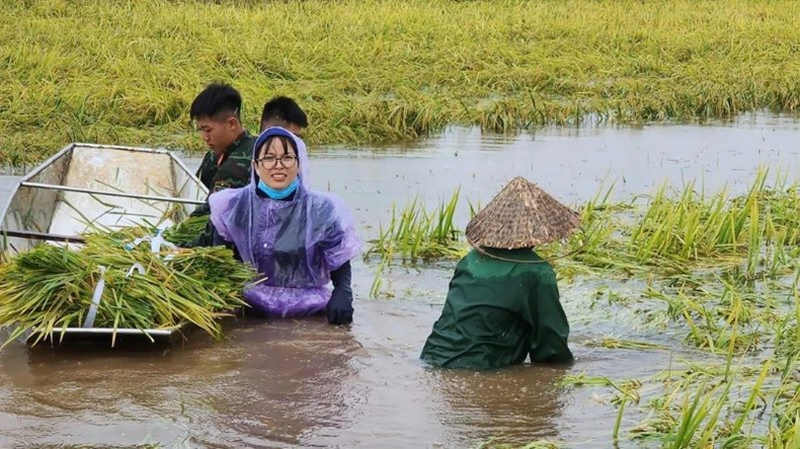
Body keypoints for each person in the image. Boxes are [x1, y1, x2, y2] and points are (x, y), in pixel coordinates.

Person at [420, 176, 579, 370]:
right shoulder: (537, 272)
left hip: (433, 355)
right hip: (479, 366)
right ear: (540, 229)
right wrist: (560, 370)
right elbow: (550, 341)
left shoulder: (470, 261)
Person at [207, 127, 360, 325]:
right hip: (251, 309)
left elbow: (338, 259)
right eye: (269, 158)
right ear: (255, 165)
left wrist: (343, 292)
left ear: (299, 163)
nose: (278, 166)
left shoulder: (320, 209)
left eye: (287, 158)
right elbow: (220, 258)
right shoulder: (235, 206)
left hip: (310, 310)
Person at [190, 82, 256, 203]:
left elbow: (208, 214)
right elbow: (195, 190)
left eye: (208, 130)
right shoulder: (213, 156)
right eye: (201, 130)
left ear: (232, 124)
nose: (204, 137)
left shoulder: (235, 169)